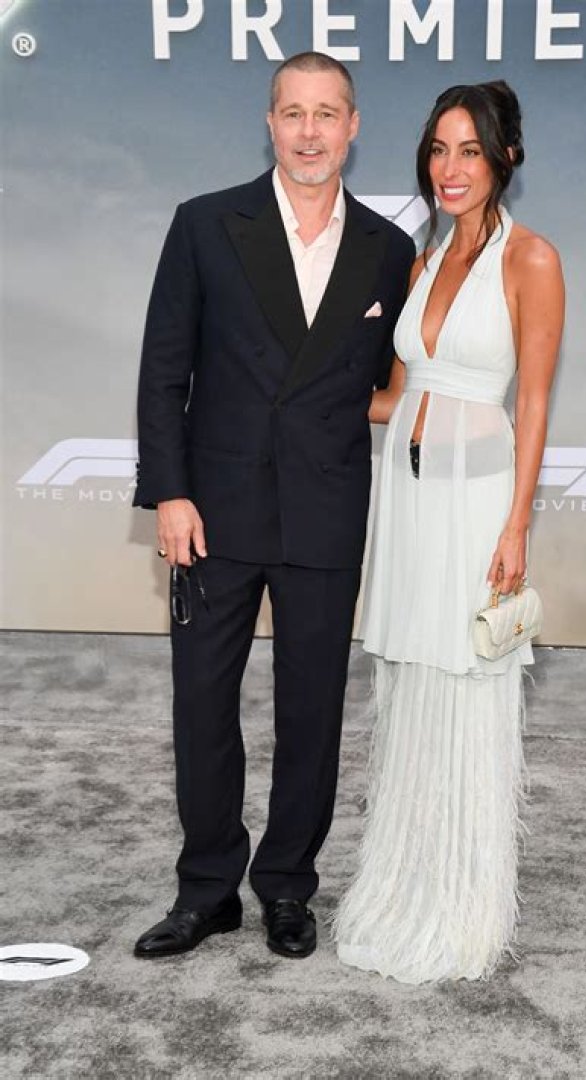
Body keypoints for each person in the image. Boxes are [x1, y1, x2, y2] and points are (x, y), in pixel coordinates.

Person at [132, 52, 415, 960]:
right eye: (293, 112)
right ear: (269, 123)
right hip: (212, 510)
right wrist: (170, 492)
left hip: (325, 509)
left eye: (327, 113)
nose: (309, 131)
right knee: (202, 704)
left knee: (313, 710)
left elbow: (391, 383)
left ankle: (288, 885)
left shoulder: (389, 248)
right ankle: (208, 888)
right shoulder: (206, 224)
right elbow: (162, 371)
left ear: (353, 127)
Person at [333, 82, 564, 984]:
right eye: (438, 149)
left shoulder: (531, 260)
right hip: (408, 497)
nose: (450, 168)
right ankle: (406, 884)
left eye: (469, 150)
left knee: (466, 685)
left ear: (506, 158)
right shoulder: (423, 261)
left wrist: (517, 525)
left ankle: (463, 906)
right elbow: (395, 395)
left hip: (477, 503)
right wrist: (299, 394)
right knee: (411, 681)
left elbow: (533, 403)